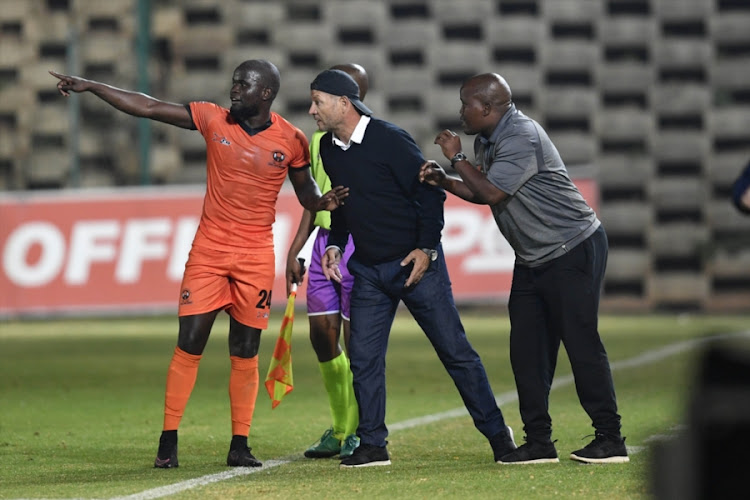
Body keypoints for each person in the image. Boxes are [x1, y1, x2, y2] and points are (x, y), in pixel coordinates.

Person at [50, 60, 348, 469]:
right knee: (189, 340)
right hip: (209, 252)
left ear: (266, 94)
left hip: (255, 256)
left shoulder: (291, 139)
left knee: (245, 350)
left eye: (244, 84)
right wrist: (93, 86)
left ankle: (239, 444)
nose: (234, 89)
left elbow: (306, 191)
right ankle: (168, 438)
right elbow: (149, 107)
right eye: (234, 81)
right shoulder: (211, 118)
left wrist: (321, 203)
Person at [308, 69, 517, 468]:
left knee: (455, 352)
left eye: (317, 101)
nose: (311, 109)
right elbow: (344, 206)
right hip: (368, 270)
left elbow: (429, 195)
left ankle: (498, 436)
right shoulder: (329, 149)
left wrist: (425, 249)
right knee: (364, 359)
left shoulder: (390, 139)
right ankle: (372, 444)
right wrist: (335, 244)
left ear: (342, 103)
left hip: (415, 266)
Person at [419, 73, 628, 465]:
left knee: (580, 343)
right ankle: (538, 442)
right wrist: (443, 180)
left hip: (572, 248)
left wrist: (456, 157)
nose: (461, 111)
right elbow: (484, 191)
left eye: (466, 104)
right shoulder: (488, 137)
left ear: (487, 107)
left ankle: (610, 438)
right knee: (527, 350)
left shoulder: (520, 135)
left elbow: (492, 192)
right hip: (533, 258)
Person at [285, 64, 368, 460]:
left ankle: (356, 429)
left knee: (357, 343)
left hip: (357, 245)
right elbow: (315, 201)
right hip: (322, 244)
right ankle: (341, 429)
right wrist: (297, 248)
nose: (314, 108)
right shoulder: (318, 143)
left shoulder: (372, 141)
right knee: (322, 337)